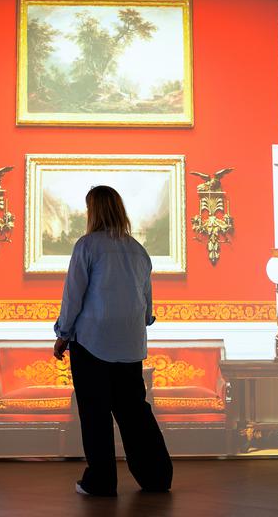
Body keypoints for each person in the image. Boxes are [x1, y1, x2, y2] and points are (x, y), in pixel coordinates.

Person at [53, 185, 173, 497]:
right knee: (135, 412)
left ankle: (102, 482)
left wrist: (62, 335)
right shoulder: (138, 249)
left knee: (95, 414)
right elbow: (147, 306)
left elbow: (73, 298)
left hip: (92, 342)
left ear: (93, 211)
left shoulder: (86, 246)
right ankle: (157, 477)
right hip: (131, 345)